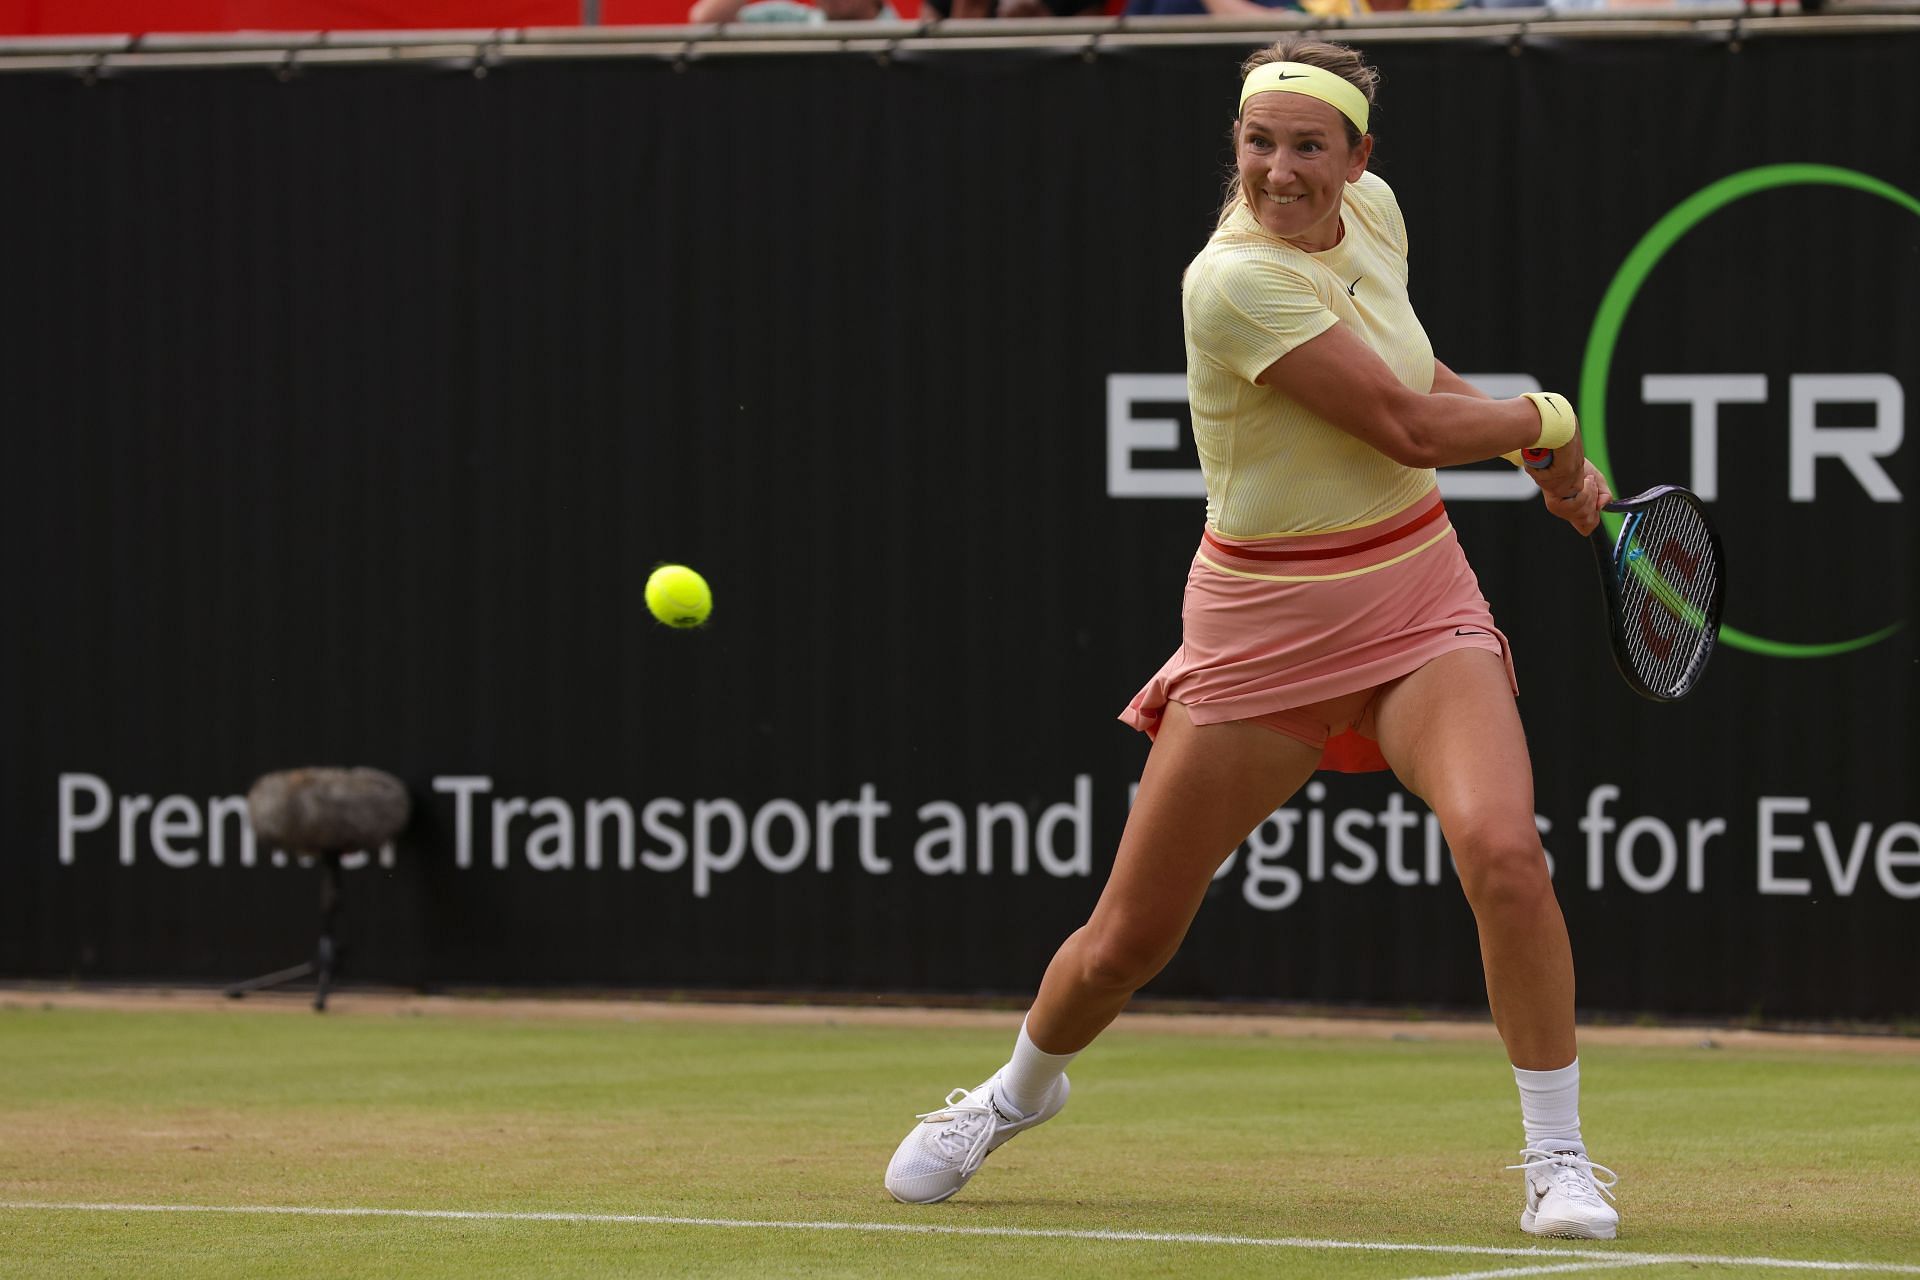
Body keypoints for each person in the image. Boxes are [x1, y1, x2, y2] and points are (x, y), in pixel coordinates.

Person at [883, 35, 1624, 1241]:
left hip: (1417, 595)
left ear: (1358, 157)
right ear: (1235, 145)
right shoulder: (1229, 280)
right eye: (1258, 142)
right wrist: (1545, 415)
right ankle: (1015, 1092)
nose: (1280, 170)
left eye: (1308, 146)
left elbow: (1409, 365)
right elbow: (1394, 418)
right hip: (1263, 627)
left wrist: (1552, 464)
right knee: (1126, 939)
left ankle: (1560, 1160)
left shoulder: (1372, 216)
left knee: (1503, 849)